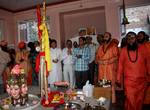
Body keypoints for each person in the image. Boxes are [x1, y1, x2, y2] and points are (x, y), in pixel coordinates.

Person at [117, 32, 150, 110]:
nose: (130, 40)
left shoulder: (143, 48)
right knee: (130, 98)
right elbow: (120, 65)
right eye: (128, 38)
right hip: (129, 80)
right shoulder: (124, 50)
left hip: (142, 80)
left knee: (139, 99)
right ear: (127, 40)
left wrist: (149, 74)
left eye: (132, 38)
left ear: (136, 39)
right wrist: (118, 78)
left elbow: (148, 62)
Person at [96, 32, 119, 103]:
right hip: (102, 68)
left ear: (110, 37)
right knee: (102, 84)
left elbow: (116, 56)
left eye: (107, 36)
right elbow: (97, 58)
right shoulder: (100, 47)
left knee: (111, 85)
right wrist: (99, 61)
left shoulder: (113, 46)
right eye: (104, 36)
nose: (105, 37)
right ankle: (103, 100)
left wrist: (108, 61)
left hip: (110, 68)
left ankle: (112, 101)